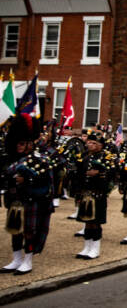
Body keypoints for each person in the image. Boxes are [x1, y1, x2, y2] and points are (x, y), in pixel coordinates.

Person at [1, 114, 53, 275]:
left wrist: (28, 178)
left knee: (29, 231)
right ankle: (16, 259)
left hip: (32, 199)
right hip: (15, 199)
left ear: (31, 144)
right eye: (18, 143)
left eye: (23, 143)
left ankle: (27, 260)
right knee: (15, 229)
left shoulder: (40, 159)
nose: (19, 146)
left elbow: (46, 182)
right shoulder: (11, 158)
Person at [74, 133, 115, 260]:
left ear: (100, 145)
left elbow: (112, 173)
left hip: (98, 193)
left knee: (95, 222)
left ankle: (95, 249)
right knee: (87, 222)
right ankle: (87, 247)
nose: (90, 145)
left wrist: (99, 173)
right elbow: (79, 175)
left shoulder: (106, 157)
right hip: (86, 193)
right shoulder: (85, 157)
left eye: (94, 143)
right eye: (89, 143)